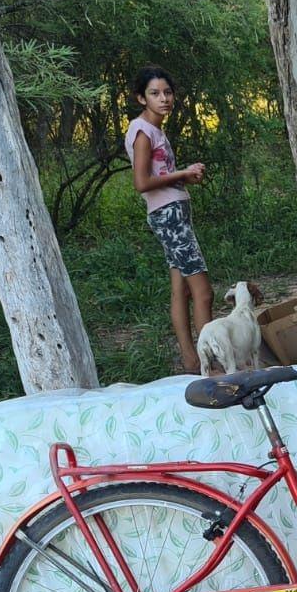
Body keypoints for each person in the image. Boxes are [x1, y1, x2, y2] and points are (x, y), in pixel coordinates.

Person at [124, 66, 211, 374]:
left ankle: (192, 361)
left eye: (168, 92)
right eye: (155, 93)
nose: (164, 99)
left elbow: (160, 178)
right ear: (140, 98)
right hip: (169, 216)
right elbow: (142, 182)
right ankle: (211, 364)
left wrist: (184, 178)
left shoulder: (154, 130)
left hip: (172, 213)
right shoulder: (143, 132)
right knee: (203, 291)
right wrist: (183, 174)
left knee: (182, 289)